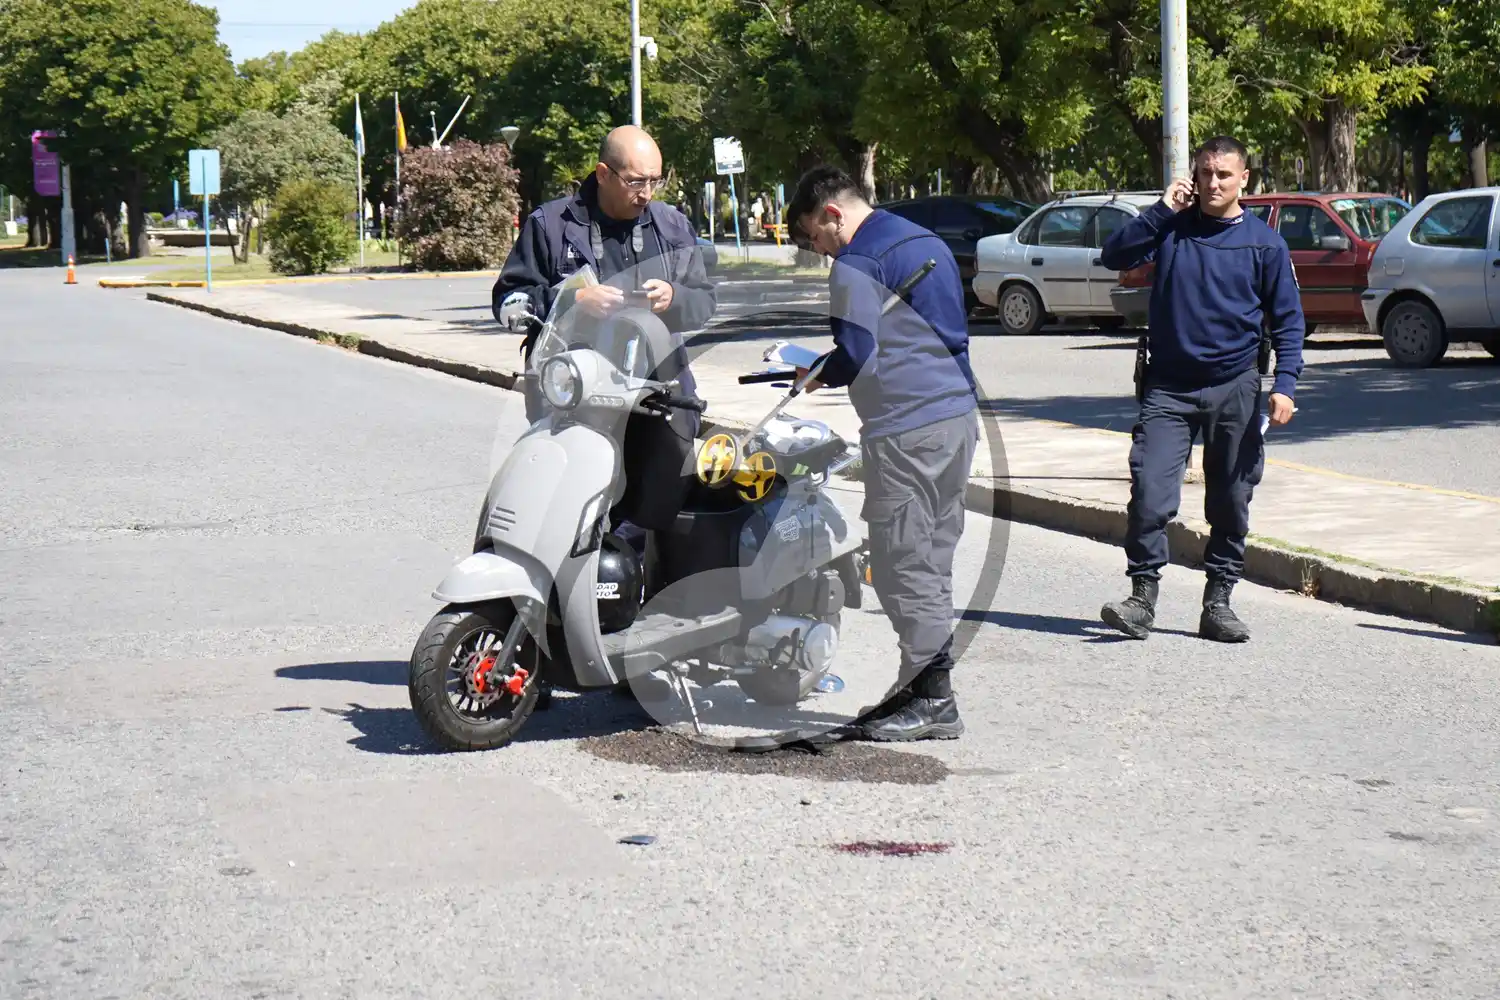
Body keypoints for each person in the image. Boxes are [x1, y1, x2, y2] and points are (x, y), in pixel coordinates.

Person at [786, 164, 980, 742]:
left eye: (815, 238)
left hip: (907, 429)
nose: (820, 252)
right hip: (956, 416)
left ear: (833, 215)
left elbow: (857, 353)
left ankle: (935, 700)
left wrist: (816, 373)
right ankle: (915, 687)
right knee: (933, 554)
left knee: (899, 562)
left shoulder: (856, 262)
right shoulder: (921, 238)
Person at [1097, 135, 1306, 643]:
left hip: (1234, 386)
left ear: (1244, 180)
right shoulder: (1171, 230)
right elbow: (1113, 255)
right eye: (1205, 173)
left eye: (1224, 175)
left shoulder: (1265, 244)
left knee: (1231, 497)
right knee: (1149, 491)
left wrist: (1286, 384)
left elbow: (1288, 321)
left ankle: (1219, 601)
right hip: (1169, 386)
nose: (1213, 183)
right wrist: (1161, 211)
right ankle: (1141, 597)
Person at [491, 125, 717, 538]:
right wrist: (571, 301)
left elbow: (705, 302)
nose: (646, 193)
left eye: (654, 180)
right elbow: (508, 302)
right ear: (602, 173)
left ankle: (646, 592)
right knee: (566, 514)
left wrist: (675, 297)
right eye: (635, 181)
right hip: (573, 398)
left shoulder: (671, 226)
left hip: (657, 397)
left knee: (658, 513)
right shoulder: (551, 225)